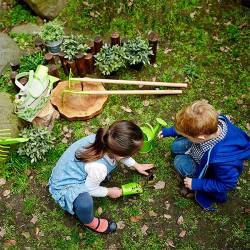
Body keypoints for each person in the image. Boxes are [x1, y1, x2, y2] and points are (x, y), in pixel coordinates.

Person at [49, 120, 154, 233]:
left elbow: (121, 155)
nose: (135, 155)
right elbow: (90, 189)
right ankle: (89, 222)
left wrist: (136, 165)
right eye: (132, 154)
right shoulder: (99, 168)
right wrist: (109, 191)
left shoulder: (105, 139)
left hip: (69, 169)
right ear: (118, 153)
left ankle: (93, 178)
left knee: (97, 175)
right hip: (64, 186)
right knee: (84, 202)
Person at [159, 100, 250, 211]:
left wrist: (197, 183)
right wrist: (170, 131)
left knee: (179, 161)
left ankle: (193, 175)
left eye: (187, 136)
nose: (185, 136)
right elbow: (187, 127)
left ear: (200, 138)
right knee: (176, 146)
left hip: (205, 169)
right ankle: (189, 149)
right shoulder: (215, 123)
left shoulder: (224, 162)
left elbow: (227, 184)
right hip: (199, 149)